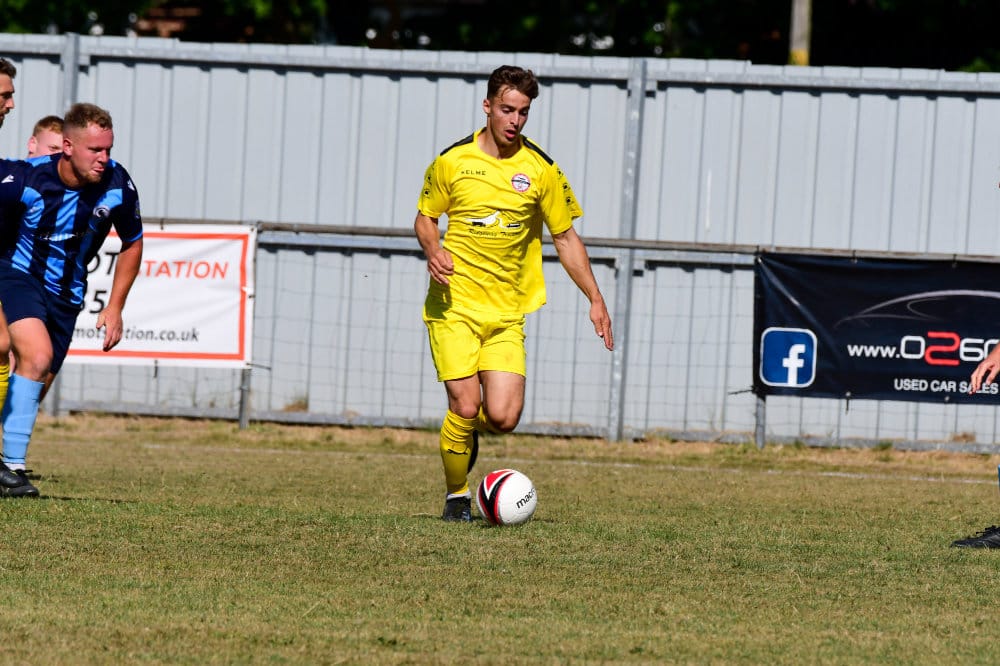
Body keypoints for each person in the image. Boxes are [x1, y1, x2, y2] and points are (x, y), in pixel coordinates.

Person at [413, 65, 614, 522]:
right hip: (453, 306)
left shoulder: (541, 169)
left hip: (506, 312)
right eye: (507, 110)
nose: (515, 120)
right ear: (487, 106)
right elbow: (425, 216)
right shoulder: (452, 161)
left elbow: (566, 238)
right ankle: (457, 497)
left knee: (503, 418)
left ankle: (465, 429)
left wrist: (595, 298)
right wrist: (433, 248)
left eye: (523, 112)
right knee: (465, 403)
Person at [0, 102, 143, 497]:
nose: (104, 158)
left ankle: (8, 467)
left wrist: (115, 306)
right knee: (36, 356)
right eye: (94, 149)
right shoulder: (26, 179)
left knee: (36, 380)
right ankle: (13, 471)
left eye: (108, 149)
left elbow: (132, 242)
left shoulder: (117, 184)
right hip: (17, 277)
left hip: (68, 294)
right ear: (67, 147)